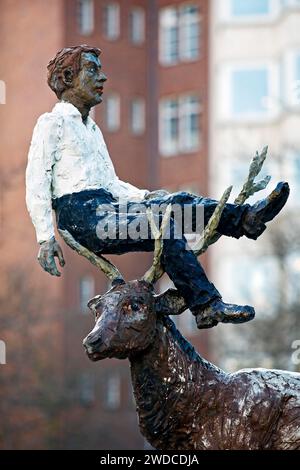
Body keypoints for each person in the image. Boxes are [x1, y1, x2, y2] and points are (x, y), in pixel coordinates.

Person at [25, 45, 290, 329]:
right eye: (93, 70)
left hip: (110, 207)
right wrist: (45, 237)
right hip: (84, 220)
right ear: (67, 78)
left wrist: (148, 197)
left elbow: (110, 183)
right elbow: (37, 179)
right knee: (163, 226)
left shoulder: (92, 130)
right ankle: (206, 305)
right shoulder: (51, 124)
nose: (103, 78)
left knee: (179, 202)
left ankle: (244, 219)